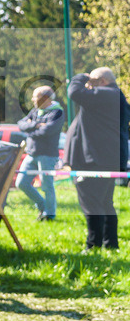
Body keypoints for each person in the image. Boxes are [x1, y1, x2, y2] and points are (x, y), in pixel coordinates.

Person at [65, 67, 130, 251]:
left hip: (95, 160)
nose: (88, 86)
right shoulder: (114, 96)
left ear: (102, 81)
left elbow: (74, 92)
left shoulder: (106, 94)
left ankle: (93, 245)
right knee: (105, 203)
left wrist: (82, 77)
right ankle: (110, 244)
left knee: (92, 203)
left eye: (91, 82)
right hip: (105, 158)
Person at [15, 86, 64, 221]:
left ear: (45, 98)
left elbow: (46, 132)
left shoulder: (57, 113)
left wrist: (30, 128)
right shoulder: (36, 111)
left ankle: (50, 214)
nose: (32, 99)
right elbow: (21, 124)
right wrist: (36, 125)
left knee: (47, 186)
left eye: (35, 96)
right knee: (21, 183)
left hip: (47, 155)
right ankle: (43, 205)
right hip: (31, 153)